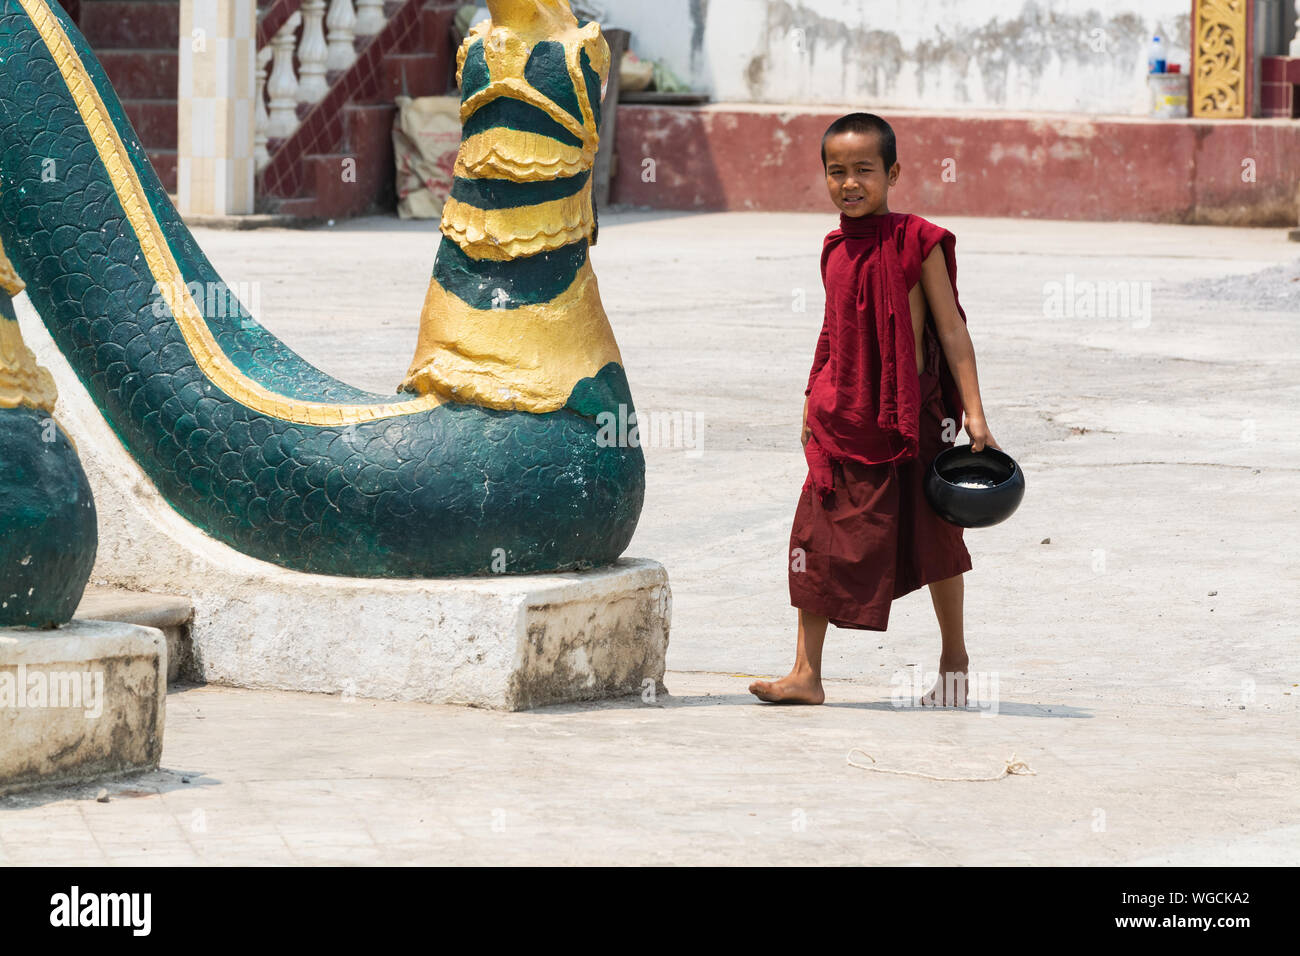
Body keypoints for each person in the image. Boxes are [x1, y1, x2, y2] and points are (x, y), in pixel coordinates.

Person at [749, 113, 998, 708]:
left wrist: (975, 413)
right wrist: (812, 396)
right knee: (812, 535)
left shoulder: (918, 242)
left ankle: (954, 666)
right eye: (837, 172)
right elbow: (833, 332)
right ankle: (805, 674)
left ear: (893, 173)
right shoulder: (834, 248)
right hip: (843, 418)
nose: (850, 183)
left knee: (935, 540)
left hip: (909, 421)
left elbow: (953, 332)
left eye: (865, 170)